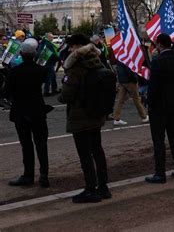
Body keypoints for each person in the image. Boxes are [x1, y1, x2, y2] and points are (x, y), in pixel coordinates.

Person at [59, 34, 111, 203]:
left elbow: (66, 95)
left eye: (72, 46)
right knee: (97, 150)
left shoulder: (76, 66)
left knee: (85, 154)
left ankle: (90, 189)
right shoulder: (97, 61)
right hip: (97, 112)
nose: (69, 49)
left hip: (80, 115)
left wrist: (62, 92)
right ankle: (103, 187)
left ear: (78, 47)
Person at [5, 40, 50, 188]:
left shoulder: (15, 72)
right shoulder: (40, 70)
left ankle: (28, 175)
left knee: (27, 145)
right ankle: (44, 175)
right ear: (34, 54)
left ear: (21, 55)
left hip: (21, 111)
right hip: (37, 110)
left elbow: (6, 92)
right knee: (41, 144)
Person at [145, 34, 174, 184]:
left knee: (159, 140)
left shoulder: (158, 62)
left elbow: (153, 87)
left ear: (160, 45)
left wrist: (149, 102)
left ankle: (160, 173)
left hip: (159, 106)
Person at [112, 61, 149, 126]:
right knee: (136, 99)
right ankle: (144, 116)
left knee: (120, 100)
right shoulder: (127, 58)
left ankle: (116, 118)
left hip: (122, 80)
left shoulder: (120, 58)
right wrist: (135, 79)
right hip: (130, 81)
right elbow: (130, 70)